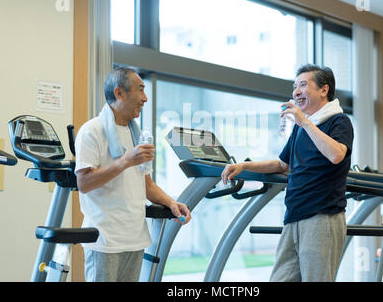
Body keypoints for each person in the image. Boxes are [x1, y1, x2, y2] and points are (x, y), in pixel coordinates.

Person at [222, 64, 354, 282]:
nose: (296, 92)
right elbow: (283, 165)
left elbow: (336, 155)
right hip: (294, 215)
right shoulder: (301, 128)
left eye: (303, 85)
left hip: (322, 216)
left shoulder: (338, 121)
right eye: (295, 87)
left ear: (324, 90)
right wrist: (245, 166)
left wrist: (303, 121)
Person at [74, 67, 191, 282]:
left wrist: (172, 203)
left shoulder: (137, 134)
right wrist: (126, 161)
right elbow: (84, 183)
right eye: (140, 90)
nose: (145, 99)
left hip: (135, 238)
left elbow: (146, 184)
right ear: (119, 93)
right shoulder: (92, 131)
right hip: (105, 240)